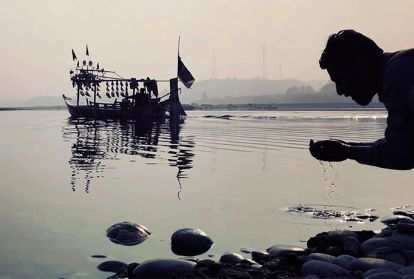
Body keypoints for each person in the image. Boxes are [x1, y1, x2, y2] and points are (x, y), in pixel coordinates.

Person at [310, 29, 414, 170]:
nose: (340, 91)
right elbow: (399, 145)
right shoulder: (399, 68)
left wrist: (347, 151)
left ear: (359, 67)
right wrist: (346, 148)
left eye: (340, 80)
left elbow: (400, 156)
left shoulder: (398, 77)